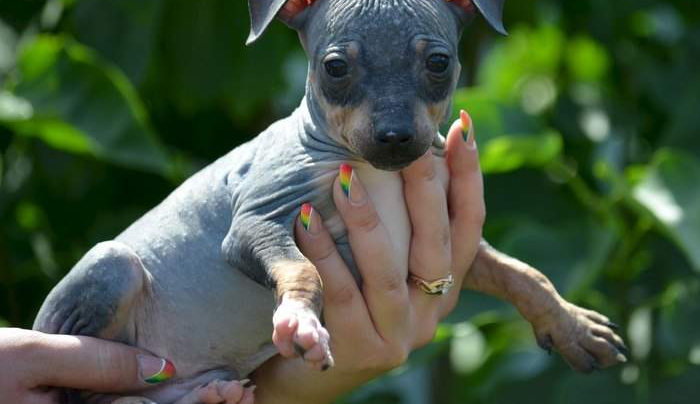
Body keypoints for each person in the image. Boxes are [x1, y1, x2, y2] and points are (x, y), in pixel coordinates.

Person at [0, 118, 484, 404]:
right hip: (114, 336)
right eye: (339, 69)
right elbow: (250, 233)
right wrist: (298, 302)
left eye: (436, 66)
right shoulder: (305, 153)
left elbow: (449, 247)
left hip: (199, 375)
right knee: (113, 268)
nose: (392, 119)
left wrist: (283, 391)